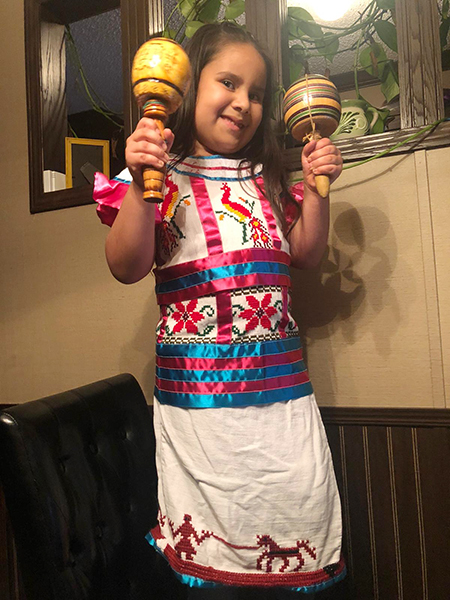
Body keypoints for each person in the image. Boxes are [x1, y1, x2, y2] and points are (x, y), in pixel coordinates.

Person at [94, 22, 345, 600]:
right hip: (201, 420)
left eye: (256, 93)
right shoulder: (163, 174)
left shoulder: (269, 179)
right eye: (228, 82)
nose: (244, 102)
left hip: (284, 413)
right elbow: (125, 265)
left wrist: (318, 184)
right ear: (187, 88)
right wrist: (139, 184)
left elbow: (305, 254)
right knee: (215, 585)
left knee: (293, 553)